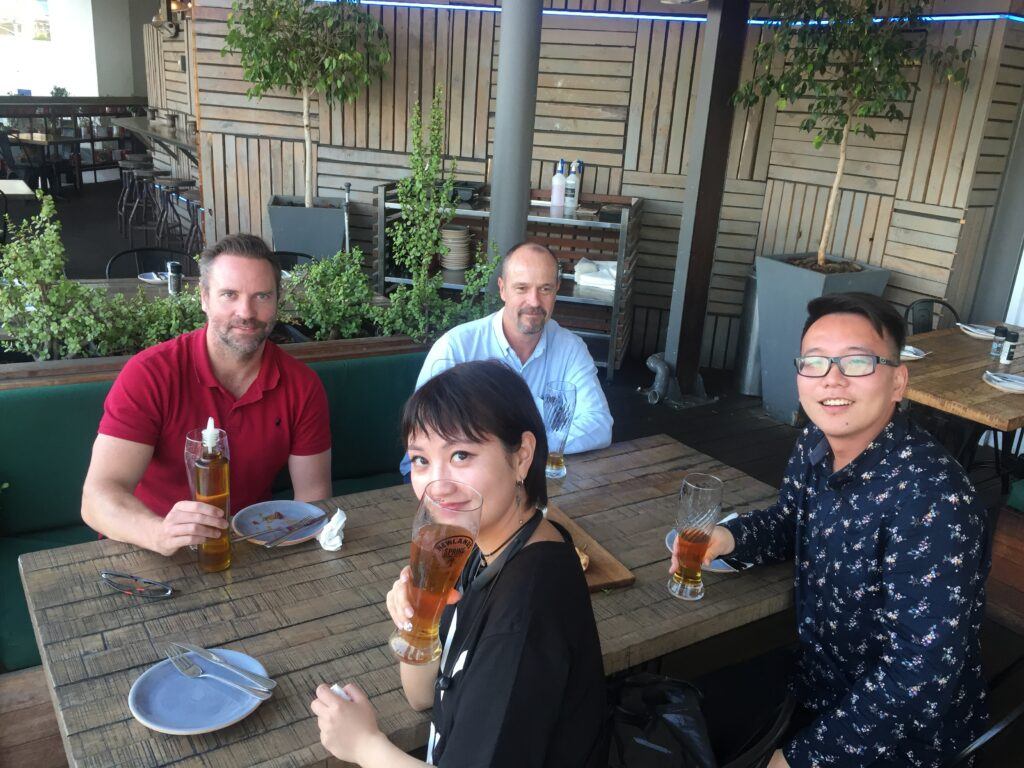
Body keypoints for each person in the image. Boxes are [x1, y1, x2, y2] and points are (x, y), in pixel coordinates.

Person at [672, 293, 989, 767]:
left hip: (903, 740)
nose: (832, 380)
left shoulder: (932, 499)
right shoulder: (814, 443)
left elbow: (918, 676)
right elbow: (788, 521)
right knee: (670, 716)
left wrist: (801, 760)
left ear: (898, 381)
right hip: (817, 681)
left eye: (857, 362)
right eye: (815, 362)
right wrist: (730, 539)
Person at [312, 361, 606, 767]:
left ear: (521, 456)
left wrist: (365, 746)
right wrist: (417, 625)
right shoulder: (476, 547)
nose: (438, 484)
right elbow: (423, 695)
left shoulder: (526, 609)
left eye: (462, 454)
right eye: (420, 460)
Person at [81, 234, 332, 556]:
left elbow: (313, 498)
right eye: (229, 294)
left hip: (249, 546)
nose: (246, 311)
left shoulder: (302, 385)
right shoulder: (151, 374)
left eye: (262, 296)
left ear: (277, 301)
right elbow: (98, 497)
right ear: (204, 298)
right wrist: (158, 533)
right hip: (144, 547)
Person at [405, 242, 612, 475]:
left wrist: (524, 451)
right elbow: (427, 433)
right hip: (442, 472)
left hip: (528, 471)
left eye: (544, 289)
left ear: (556, 290)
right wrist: (526, 446)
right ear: (502, 289)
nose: (534, 302)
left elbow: (599, 425)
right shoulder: (457, 348)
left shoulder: (571, 348)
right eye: (522, 288)